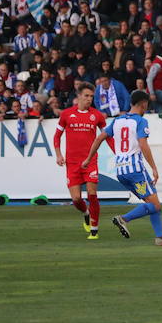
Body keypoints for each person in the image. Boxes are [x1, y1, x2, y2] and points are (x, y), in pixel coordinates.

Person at [82, 90, 162, 246]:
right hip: (136, 170)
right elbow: (143, 144)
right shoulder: (140, 121)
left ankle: (160, 238)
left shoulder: (117, 121)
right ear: (143, 104)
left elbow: (99, 137)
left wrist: (88, 158)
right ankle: (124, 219)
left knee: (152, 202)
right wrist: (154, 168)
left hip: (121, 171)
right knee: (155, 205)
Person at [53, 83, 112, 240]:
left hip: (90, 161)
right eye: (86, 96)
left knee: (92, 194)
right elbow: (57, 136)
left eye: (91, 96)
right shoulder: (66, 114)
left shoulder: (97, 116)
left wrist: (117, 154)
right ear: (78, 96)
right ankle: (86, 213)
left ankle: (94, 229)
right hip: (72, 163)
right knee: (76, 199)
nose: (89, 99)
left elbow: (107, 136)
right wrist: (59, 155)